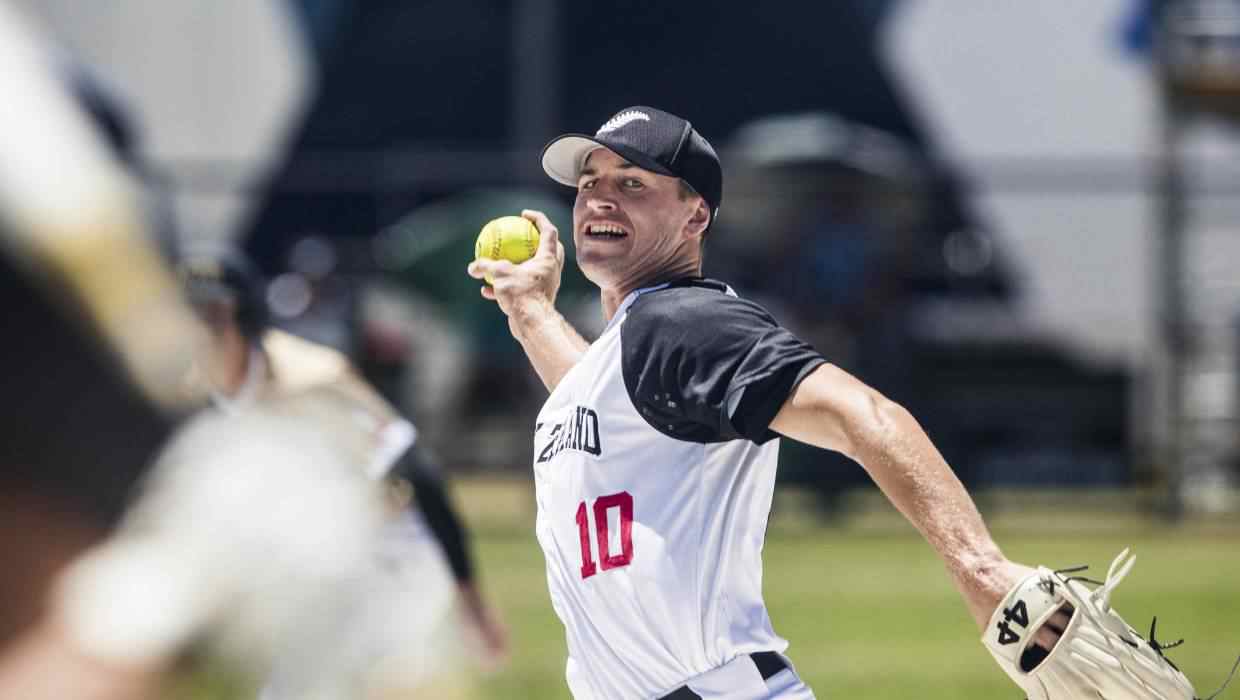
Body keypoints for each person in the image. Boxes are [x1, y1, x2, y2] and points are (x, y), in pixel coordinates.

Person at [466, 106, 1068, 700]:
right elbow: (599, 404)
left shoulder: (686, 321)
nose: (600, 199)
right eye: (589, 183)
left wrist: (979, 566)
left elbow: (865, 416)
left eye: (632, 184)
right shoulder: (637, 344)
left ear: (695, 215)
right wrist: (531, 311)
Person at [178, 250, 508, 697]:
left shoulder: (310, 379)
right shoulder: (188, 393)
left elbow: (416, 468)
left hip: (392, 548)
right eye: (189, 313)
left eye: (213, 313)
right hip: (311, 553)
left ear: (246, 315)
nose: (200, 329)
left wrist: (470, 596)